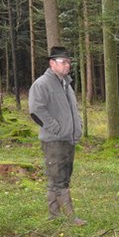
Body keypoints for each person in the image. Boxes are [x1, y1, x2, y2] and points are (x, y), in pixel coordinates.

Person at [28, 46, 87, 226]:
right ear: (52, 63)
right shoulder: (42, 84)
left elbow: (71, 110)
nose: (67, 65)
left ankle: (54, 215)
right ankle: (71, 218)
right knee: (59, 179)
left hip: (68, 139)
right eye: (63, 62)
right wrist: (56, 128)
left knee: (59, 178)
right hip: (54, 141)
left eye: (68, 62)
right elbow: (36, 111)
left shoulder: (66, 84)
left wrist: (78, 127)